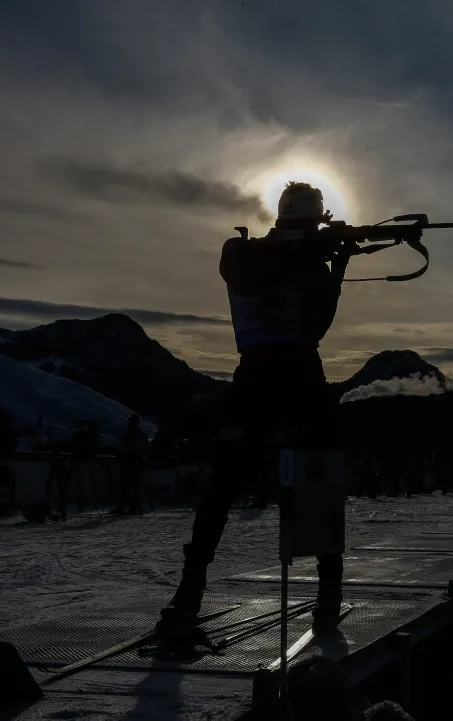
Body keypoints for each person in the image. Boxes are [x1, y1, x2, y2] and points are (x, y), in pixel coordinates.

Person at [161, 181, 354, 633]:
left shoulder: (259, 255)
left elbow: (314, 322)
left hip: (259, 374)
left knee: (231, 484)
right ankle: (327, 591)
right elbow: (315, 323)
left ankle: (190, 593)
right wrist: (325, 267)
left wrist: (331, 266)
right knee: (311, 477)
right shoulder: (245, 252)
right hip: (292, 372)